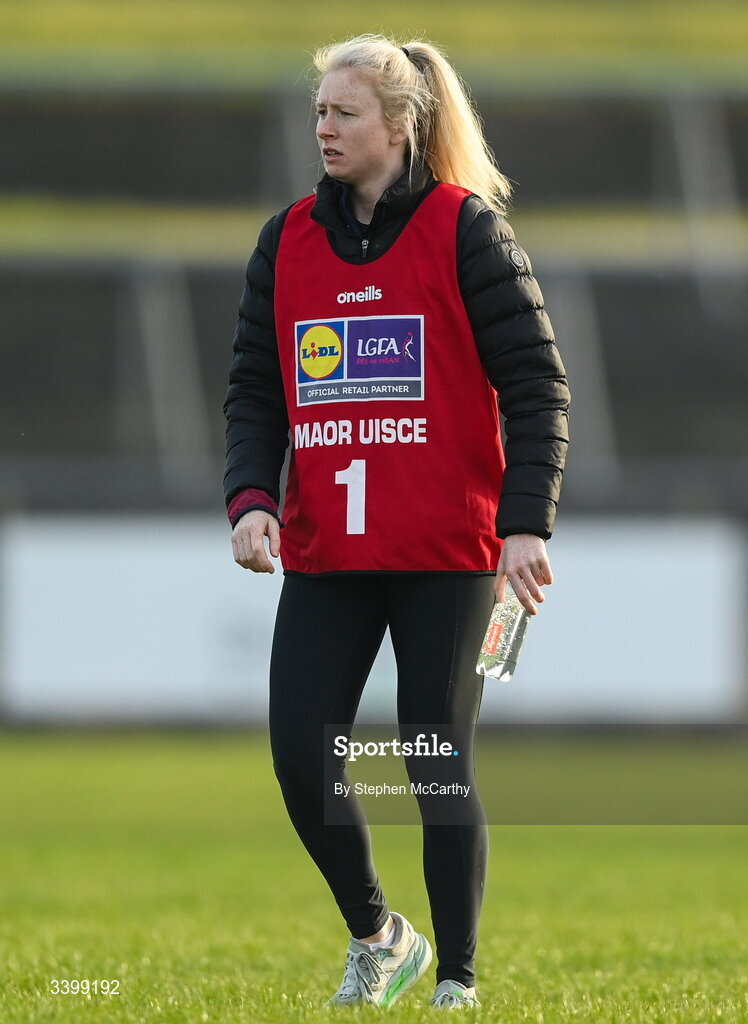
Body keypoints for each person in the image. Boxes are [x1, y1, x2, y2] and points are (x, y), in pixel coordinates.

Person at [223, 33, 570, 1009]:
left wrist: (524, 525)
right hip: (331, 552)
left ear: (399, 124)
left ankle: (456, 976)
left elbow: (538, 387)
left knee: (433, 752)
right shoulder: (285, 239)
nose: (324, 128)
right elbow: (255, 393)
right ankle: (380, 934)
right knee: (301, 755)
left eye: (344, 113)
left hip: (456, 558)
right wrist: (251, 501)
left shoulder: (468, 230)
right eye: (319, 113)